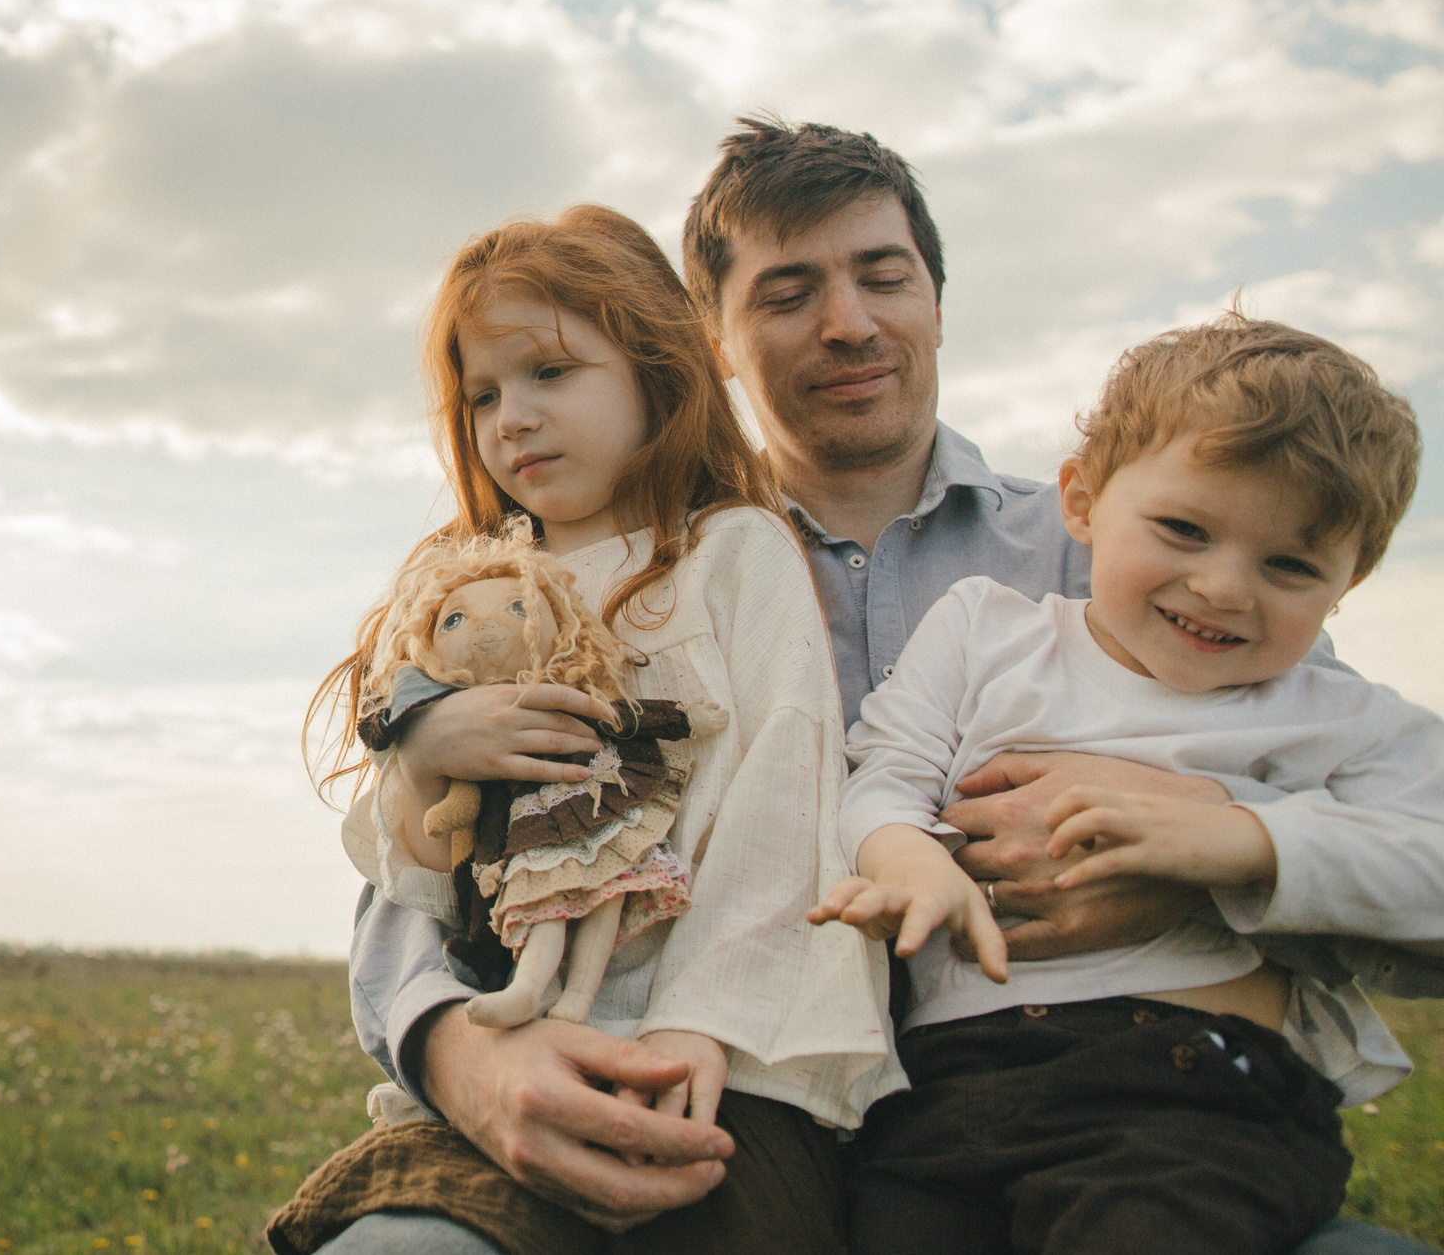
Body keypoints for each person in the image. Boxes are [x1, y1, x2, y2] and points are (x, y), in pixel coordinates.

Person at [336, 117, 1442, 1253]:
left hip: (1149, 1111)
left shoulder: (1141, 553)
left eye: (883, 276)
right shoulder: (646, 566)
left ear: (937, 304)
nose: (848, 321)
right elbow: (460, 842)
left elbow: (1364, 803)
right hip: (810, 1116)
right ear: (708, 339)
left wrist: (1211, 846)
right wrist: (449, 1046)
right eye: (786, 292)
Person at [268, 205, 896, 1255]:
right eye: (481, 394)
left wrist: (706, 1021)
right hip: (512, 1043)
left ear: (657, 370)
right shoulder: (460, 600)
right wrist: (421, 758)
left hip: (713, 1061)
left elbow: (782, 805)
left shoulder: (727, 555)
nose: (510, 417)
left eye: (550, 374)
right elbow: (414, 880)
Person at [816, 315, 1437, 1252]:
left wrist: (1243, 840)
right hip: (951, 1087)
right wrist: (908, 857)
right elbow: (887, 769)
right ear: (1082, 498)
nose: (1225, 586)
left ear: (1350, 580)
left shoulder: (1332, 714)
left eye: (1291, 564)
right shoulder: (986, 632)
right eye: (1184, 529)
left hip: (1185, 1093)